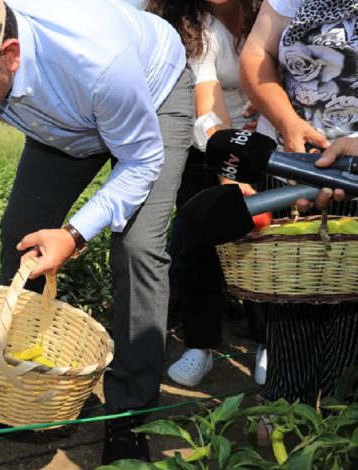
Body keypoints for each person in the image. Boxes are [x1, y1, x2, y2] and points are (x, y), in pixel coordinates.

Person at [0, 0, 194, 462]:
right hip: (67, 122)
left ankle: (127, 415)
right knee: (21, 232)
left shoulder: (97, 61)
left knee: (137, 251)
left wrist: (74, 235)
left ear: (10, 55)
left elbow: (142, 160)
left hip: (150, 101)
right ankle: (13, 386)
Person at [240, 0, 358, 408]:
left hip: (354, 167)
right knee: (291, 296)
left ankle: (338, 421)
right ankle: (287, 404)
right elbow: (258, 54)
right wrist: (290, 123)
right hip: (294, 162)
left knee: (351, 310)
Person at [146, 0, 267, 388]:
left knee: (270, 246)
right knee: (201, 243)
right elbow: (206, 102)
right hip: (209, 145)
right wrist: (231, 170)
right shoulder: (194, 24)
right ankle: (201, 345)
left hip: (270, 144)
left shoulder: (270, 11)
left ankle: (272, 341)